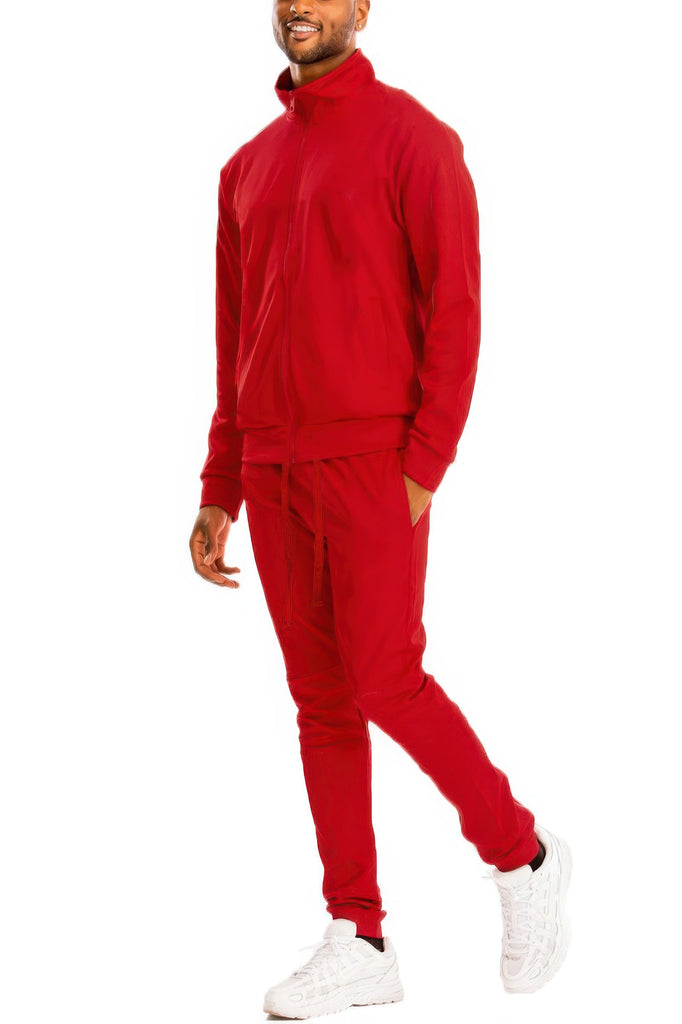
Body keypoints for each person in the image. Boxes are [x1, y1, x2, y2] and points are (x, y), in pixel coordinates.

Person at [189, 1, 572, 1017]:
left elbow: (457, 307)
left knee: (385, 679)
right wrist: (221, 482)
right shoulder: (244, 167)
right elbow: (233, 339)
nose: (300, 7)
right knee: (320, 702)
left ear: (362, 7)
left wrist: (423, 463)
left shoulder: (416, 138)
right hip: (272, 466)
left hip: (371, 461)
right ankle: (358, 934)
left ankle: (523, 855)